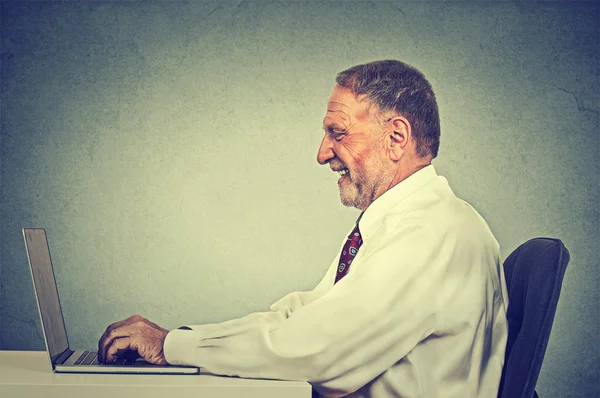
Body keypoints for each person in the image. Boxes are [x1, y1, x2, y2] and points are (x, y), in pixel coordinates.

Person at [98, 60, 509, 398]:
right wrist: (177, 340)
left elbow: (316, 351)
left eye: (338, 132)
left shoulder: (431, 233)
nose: (322, 153)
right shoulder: (411, 223)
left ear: (396, 138)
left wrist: (171, 347)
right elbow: (304, 317)